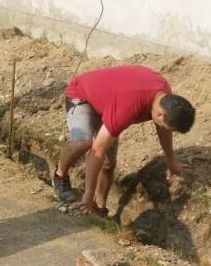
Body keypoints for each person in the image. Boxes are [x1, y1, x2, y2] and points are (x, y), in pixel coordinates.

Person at [52, 64, 195, 215]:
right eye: (168, 127)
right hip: (82, 95)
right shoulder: (129, 105)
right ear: (160, 115)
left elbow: (163, 129)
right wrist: (88, 194)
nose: (166, 129)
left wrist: (171, 162)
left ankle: (100, 208)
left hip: (109, 101)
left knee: (108, 163)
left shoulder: (166, 99)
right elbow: (97, 151)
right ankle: (60, 175)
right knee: (84, 143)